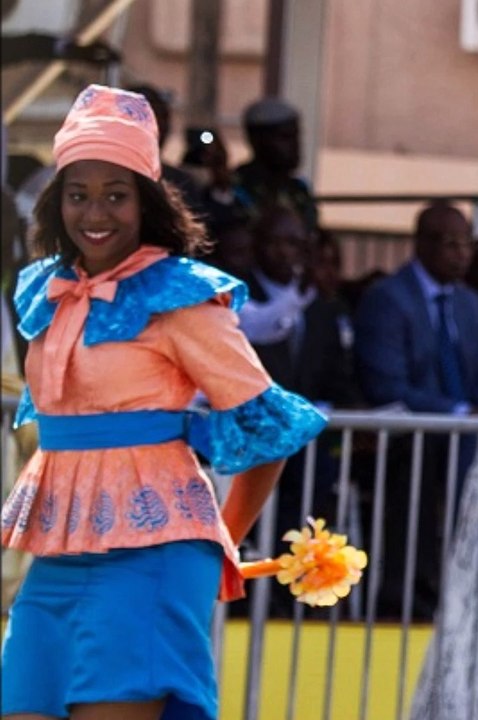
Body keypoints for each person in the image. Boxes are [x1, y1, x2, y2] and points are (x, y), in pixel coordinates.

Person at [0, 84, 326, 719]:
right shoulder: (49, 292)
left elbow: (269, 430)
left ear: (146, 202)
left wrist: (220, 543)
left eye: (116, 195)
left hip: (152, 561)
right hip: (57, 563)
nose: (95, 212)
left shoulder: (180, 296)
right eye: (79, 194)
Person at [354, 202, 478, 619]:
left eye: (467, 245)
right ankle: (411, 590)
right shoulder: (388, 299)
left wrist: (476, 412)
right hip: (405, 438)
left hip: (464, 433)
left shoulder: (469, 303)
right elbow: (384, 383)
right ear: (422, 245)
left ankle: (469, 587)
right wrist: (455, 411)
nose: (461, 254)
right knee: (423, 463)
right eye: (451, 244)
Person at [231, 97, 318, 232]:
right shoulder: (235, 187)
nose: (295, 145)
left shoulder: (299, 189)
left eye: (296, 136)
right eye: (285, 137)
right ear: (257, 140)